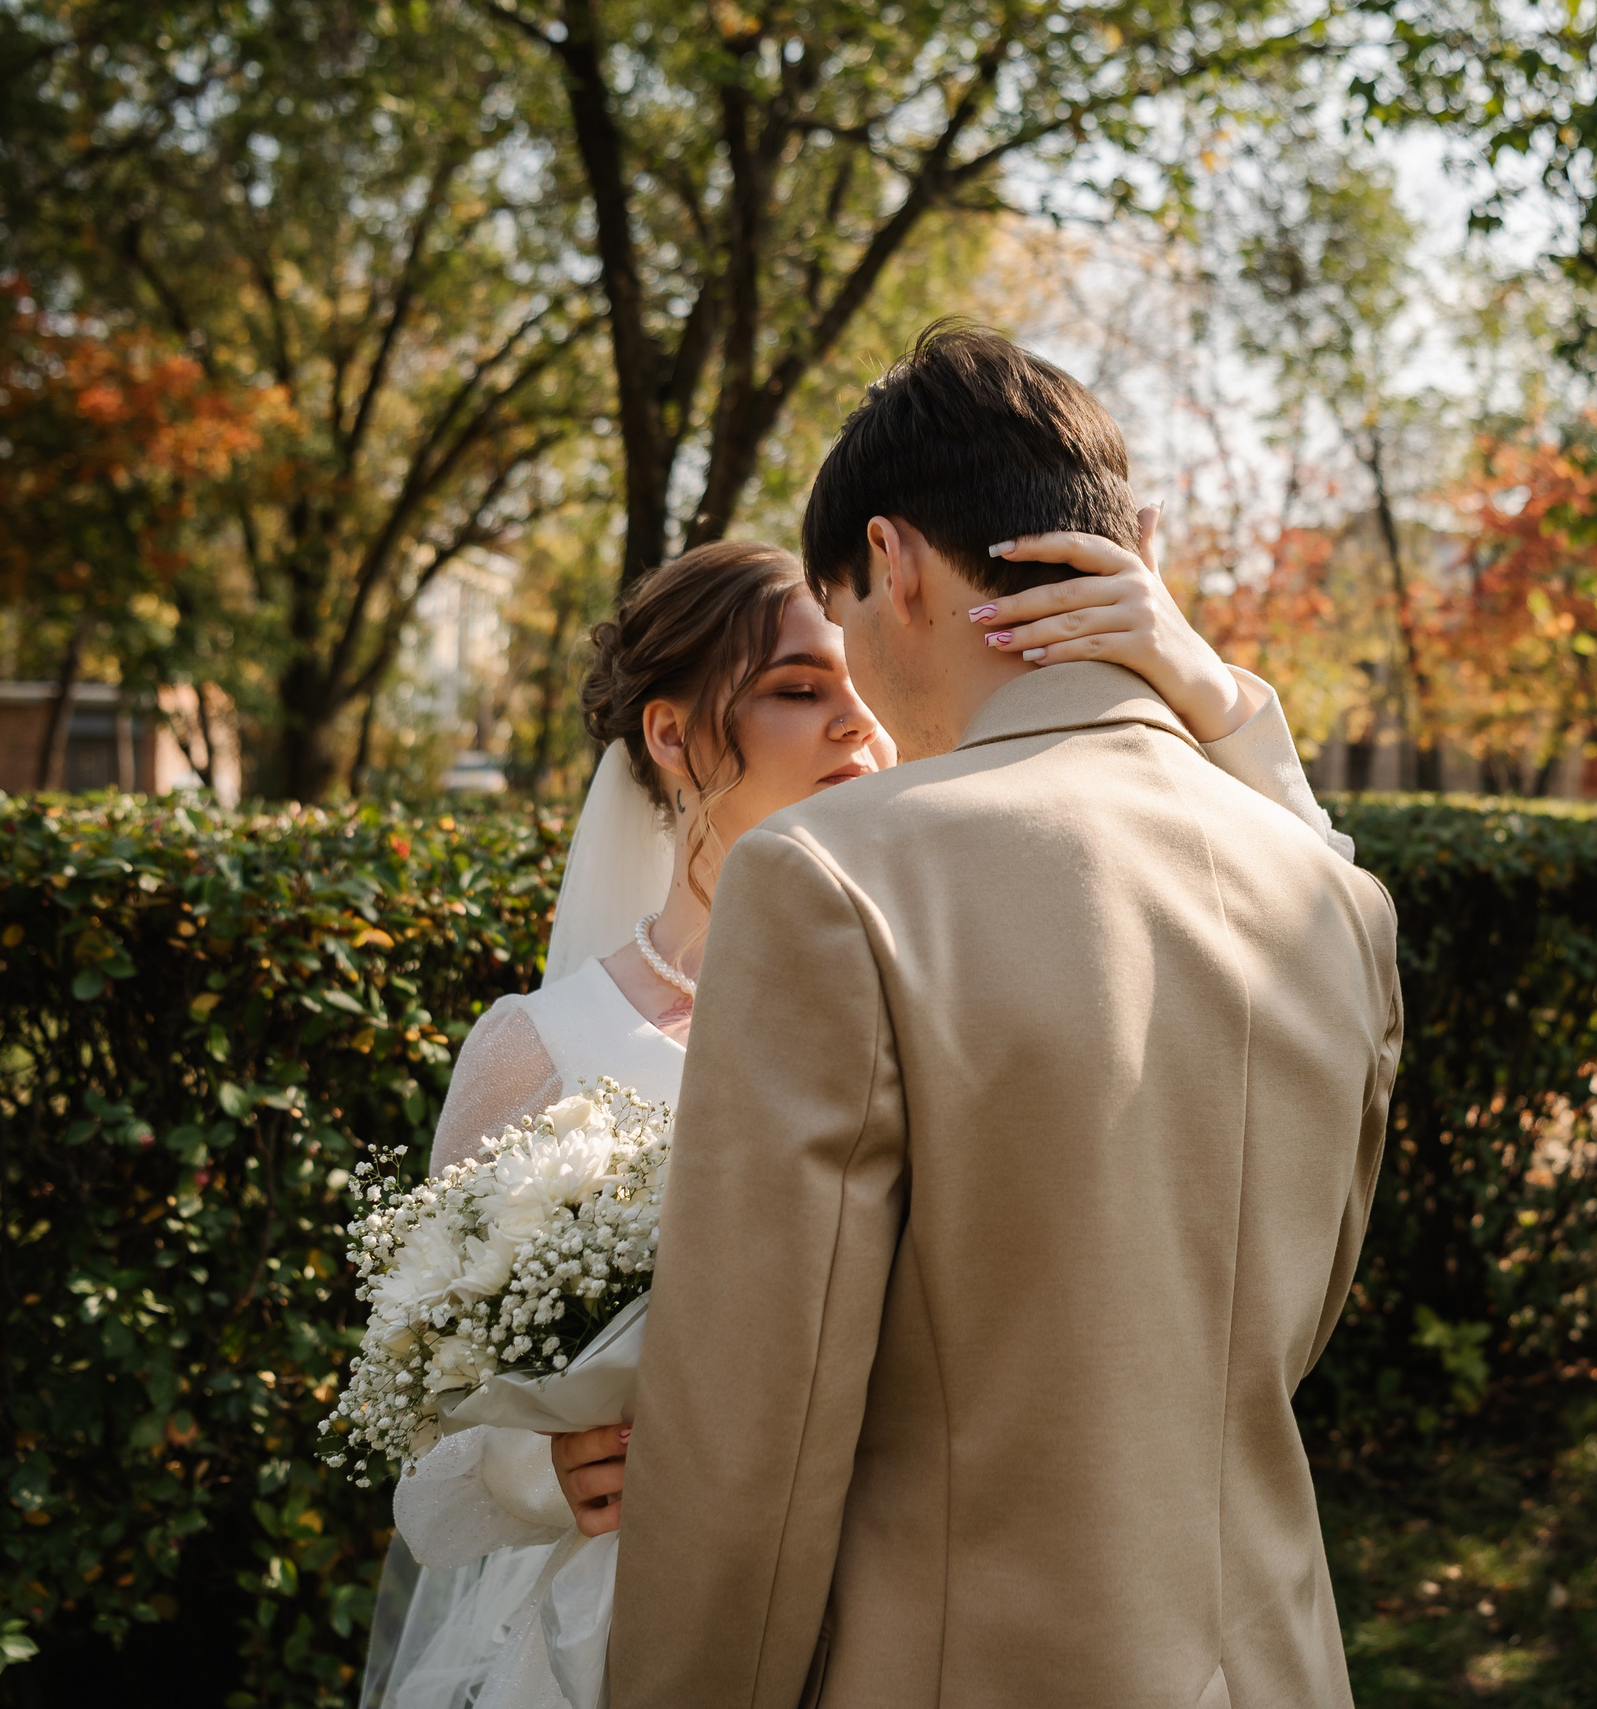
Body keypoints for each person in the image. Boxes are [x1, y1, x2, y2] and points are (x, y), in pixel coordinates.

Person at [364, 518, 1348, 1708]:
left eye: (857, 678)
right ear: (671, 733)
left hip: (923, 1614)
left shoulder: (962, 965)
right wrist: (545, 1467)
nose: (857, 722)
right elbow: (424, 1442)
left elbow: (1323, 927)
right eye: (795, 687)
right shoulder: (536, 1048)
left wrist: (1212, 694)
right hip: (629, 1632)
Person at [606, 324, 1401, 1708]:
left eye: (841, 612)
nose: (853, 670)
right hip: (1272, 1663)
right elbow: (1296, 1313)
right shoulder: (1332, 899)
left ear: (893, 562)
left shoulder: (833, 875)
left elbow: (759, 1433)